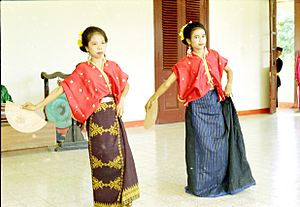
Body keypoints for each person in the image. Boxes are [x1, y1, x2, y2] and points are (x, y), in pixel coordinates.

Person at [22, 26, 139, 207]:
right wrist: (38, 105)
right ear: (86, 47)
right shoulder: (83, 69)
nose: (99, 47)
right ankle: (105, 202)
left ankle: (122, 202)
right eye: (94, 43)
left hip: (114, 117)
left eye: (102, 43)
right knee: (103, 160)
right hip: (97, 121)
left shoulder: (113, 66)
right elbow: (63, 88)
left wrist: (121, 100)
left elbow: (126, 85)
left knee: (120, 159)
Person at [145, 21, 255, 197]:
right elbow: (167, 83)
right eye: (196, 37)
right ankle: (202, 185)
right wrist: (153, 97)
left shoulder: (214, 56)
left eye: (203, 36)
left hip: (215, 103)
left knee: (220, 144)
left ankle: (222, 181)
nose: (201, 40)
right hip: (197, 107)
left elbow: (229, 71)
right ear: (188, 41)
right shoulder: (184, 63)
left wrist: (229, 85)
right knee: (201, 146)